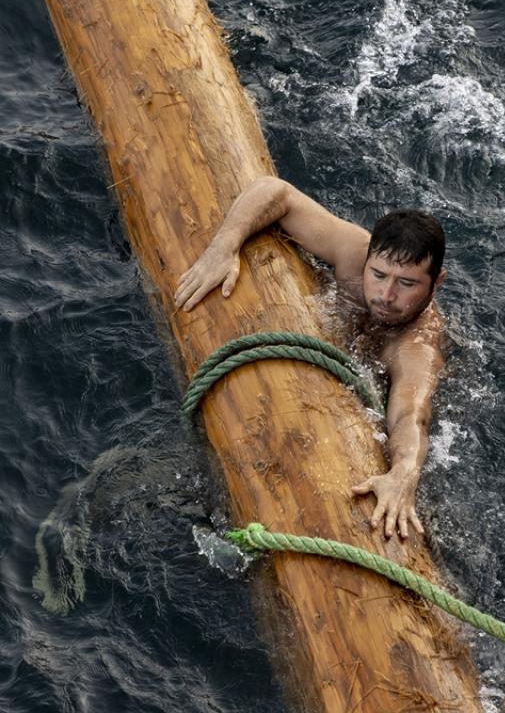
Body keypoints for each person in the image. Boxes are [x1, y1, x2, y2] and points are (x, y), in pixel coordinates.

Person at [173, 176, 447, 540]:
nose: (386, 294)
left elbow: (411, 414)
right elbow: (276, 191)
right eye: (378, 275)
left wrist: (404, 473)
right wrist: (223, 248)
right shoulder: (353, 250)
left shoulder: (417, 346)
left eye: (407, 284)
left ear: (436, 282)